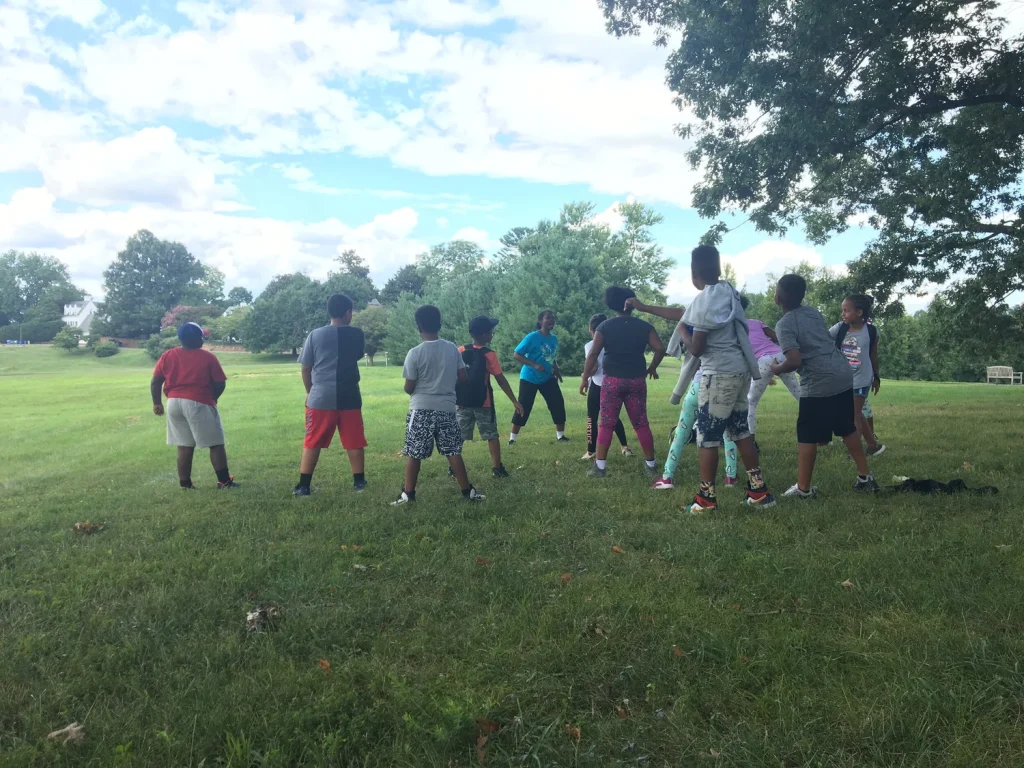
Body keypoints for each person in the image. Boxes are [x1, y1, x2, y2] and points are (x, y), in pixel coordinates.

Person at [678, 245, 776, 513]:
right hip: (739, 371)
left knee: (707, 436)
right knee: (740, 430)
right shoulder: (729, 294)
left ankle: (706, 499)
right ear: (719, 268)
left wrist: (683, 331)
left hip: (718, 374)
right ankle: (758, 491)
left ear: (693, 274)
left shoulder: (704, 302)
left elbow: (697, 348)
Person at [770, 274, 879, 496]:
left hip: (818, 380)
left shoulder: (784, 324)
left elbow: (794, 361)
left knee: (807, 434)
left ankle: (803, 490)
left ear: (780, 297)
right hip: (842, 372)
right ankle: (865, 477)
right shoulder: (812, 312)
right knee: (846, 426)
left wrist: (777, 369)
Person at [392, 305, 485, 505]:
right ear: (440, 325)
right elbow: (463, 377)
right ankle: (467, 492)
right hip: (447, 408)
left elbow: (409, 387)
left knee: (414, 452)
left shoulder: (414, 353)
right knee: (453, 451)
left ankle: (409, 494)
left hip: (421, 409)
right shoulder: (452, 349)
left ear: (418, 327)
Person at [581, 287, 665, 478]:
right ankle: (651, 465)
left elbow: (593, 354)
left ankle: (600, 467)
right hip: (636, 380)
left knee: (606, 423)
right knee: (641, 423)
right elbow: (660, 348)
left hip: (612, 381)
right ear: (632, 303)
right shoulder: (644, 326)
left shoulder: (604, 327)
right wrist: (652, 367)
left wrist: (585, 378)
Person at [293, 293, 367, 496]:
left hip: (321, 396)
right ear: (347, 313)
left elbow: (305, 368)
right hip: (350, 395)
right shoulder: (357, 334)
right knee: (354, 439)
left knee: (313, 440)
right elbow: (357, 355)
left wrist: (310, 392)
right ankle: (359, 483)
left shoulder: (315, 335)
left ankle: (304, 486)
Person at [150, 322, 239, 490]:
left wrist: (157, 403)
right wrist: (211, 399)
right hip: (199, 402)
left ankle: (185, 484)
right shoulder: (207, 357)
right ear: (197, 339)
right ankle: (224, 482)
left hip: (173, 403)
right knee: (215, 443)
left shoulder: (168, 355)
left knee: (184, 445)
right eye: (201, 337)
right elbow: (220, 383)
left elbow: (156, 381)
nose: (203, 340)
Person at [456, 316, 525, 479]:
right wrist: (514, 400)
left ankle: (454, 467)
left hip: (462, 402)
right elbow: (500, 379)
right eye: (491, 332)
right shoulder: (489, 354)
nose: (492, 335)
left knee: (458, 436)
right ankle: (497, 468)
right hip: (484, 403)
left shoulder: (460, 350)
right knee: (491, 435)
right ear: (484, 335)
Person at [829, 295, 885, 457]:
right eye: (842, 310)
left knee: (852, 414)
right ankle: (873, 446)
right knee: (858, 413)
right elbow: (823, 341)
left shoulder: (871, 331)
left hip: (862, 379)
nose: (843, 314)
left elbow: (873, 356)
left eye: (846, 310)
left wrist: (876, 377)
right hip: (843, 379)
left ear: (859, 312)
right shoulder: (839, 328)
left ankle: (856, 451)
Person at [742, 295, 801, 436]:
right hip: (780, 355)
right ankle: (823, 427)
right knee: (799, 393)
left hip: (764, 361)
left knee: (751, 401)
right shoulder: (756, 322)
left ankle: (750, 437)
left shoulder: (732, 328)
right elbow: (777, 337)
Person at [509, 310, 569, 444]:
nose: (551, 320)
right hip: (529, 377)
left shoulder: (554, 338)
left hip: (547, 377)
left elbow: (551, 357)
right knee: (524, 406)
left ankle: (560, 436)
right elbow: (517, 354)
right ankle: (512, 439)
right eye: (548, 318)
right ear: (541, 321)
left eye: (553, 318)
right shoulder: (532, 337)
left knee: (557, 404)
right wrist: (534, 365)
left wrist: (556, 369)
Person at [580, 313, 632, 461]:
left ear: (591, 329)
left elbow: (594, 367)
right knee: (612, 416)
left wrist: (584, 376)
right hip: (614, 384)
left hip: (598, 385)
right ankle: (625, 447)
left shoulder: (590, 345)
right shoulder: (615, 343)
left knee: (591, 417)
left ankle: (591, 451)